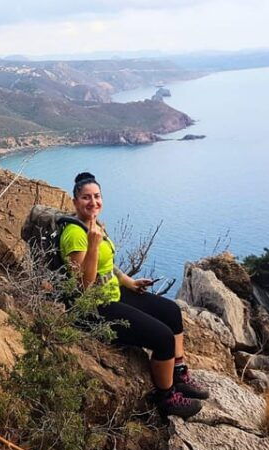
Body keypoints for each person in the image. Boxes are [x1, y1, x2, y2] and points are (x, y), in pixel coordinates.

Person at [60, 172, 209, 418]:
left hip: (113, 294)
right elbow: (82, 286)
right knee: (163, 338)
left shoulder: (95, 226)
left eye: (97, 196)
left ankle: (178, 373)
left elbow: (108, 267)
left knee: (171, 311)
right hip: (93, 307)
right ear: (75, 202)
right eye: (86, 197)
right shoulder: (75, 234)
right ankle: (167, 397)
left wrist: (130, 282)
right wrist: (93, 245)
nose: (93, 202)